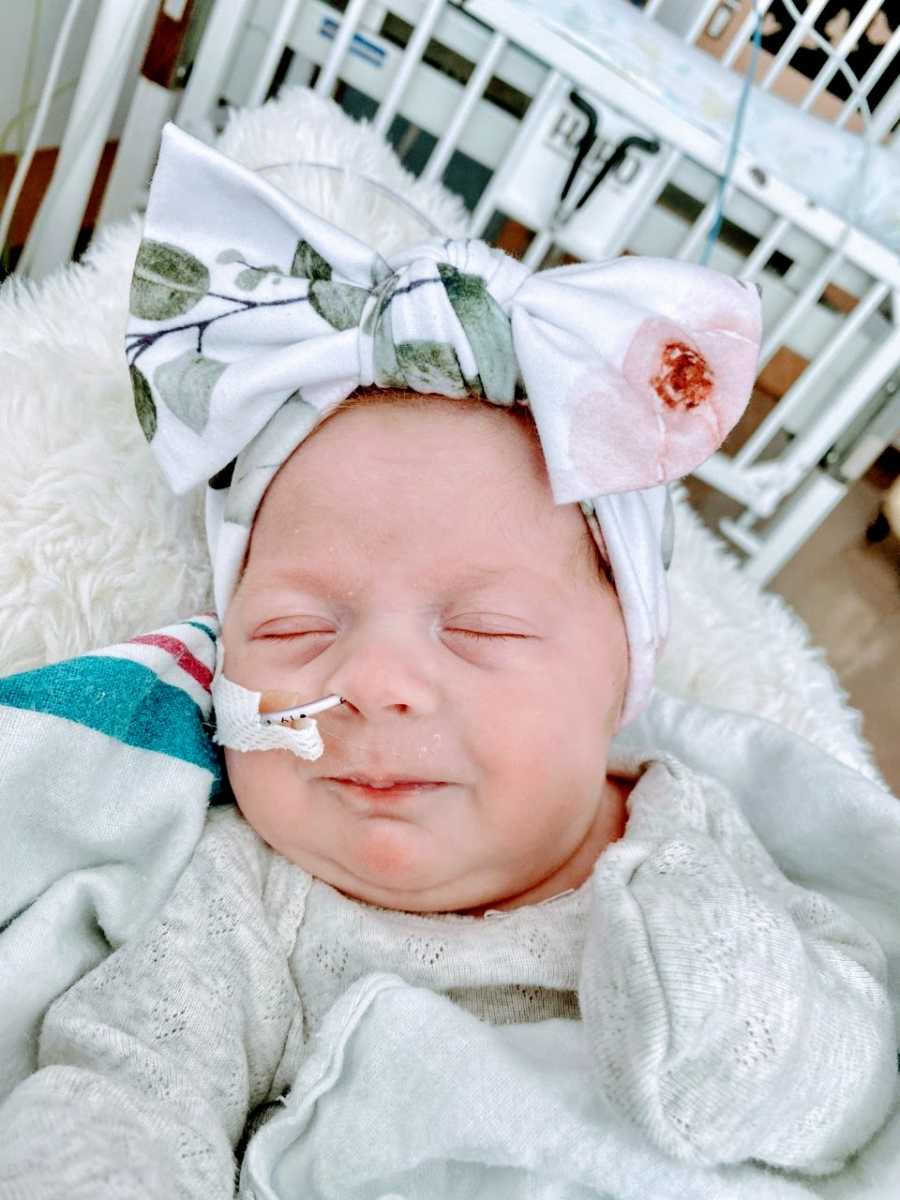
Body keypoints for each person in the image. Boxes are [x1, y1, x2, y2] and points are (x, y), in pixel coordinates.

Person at [0, 122, 896, 1199]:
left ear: (620, 681)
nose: (375, 682)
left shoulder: (692, 834)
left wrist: (724, 995)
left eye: (482, 631)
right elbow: (124, 1092)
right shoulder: (247, 898)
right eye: (294, 630)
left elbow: (853, 1084)